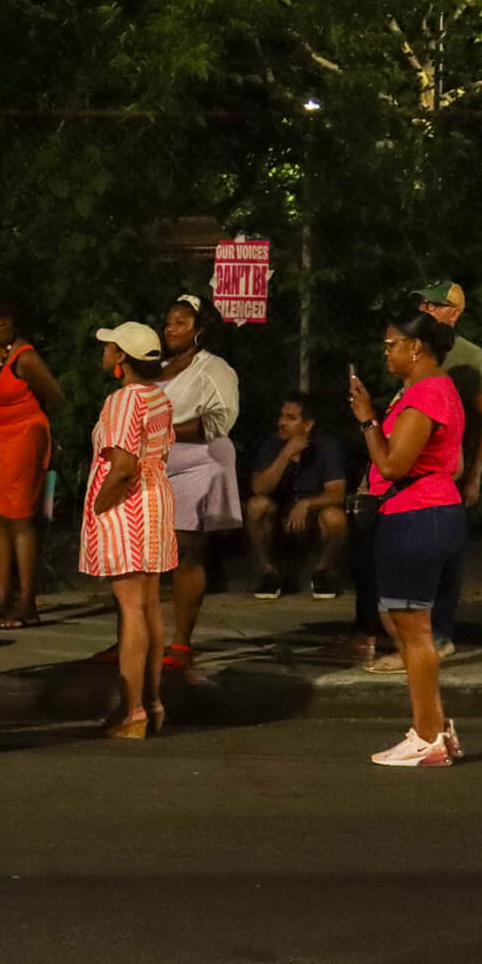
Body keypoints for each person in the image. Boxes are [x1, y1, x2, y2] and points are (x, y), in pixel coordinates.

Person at [349, 300, 467, 768]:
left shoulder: (427, 392)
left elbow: (394, 463)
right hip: (418, 510)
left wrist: (367, 419)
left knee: (414, 630)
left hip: (419, 513)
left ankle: (428, 736)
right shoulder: (426, 390)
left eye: (391, 345)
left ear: (417, 347)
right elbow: (448, 460)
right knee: (401, 622)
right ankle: (433, 726)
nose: (386, 353)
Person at [80, 323, 175, 739]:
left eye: (110, 345)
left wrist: (101, 504)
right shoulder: (158, 396)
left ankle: (132, 710)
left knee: (131, 608)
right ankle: (152, 703)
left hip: (127, 505)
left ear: (122, 357)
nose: (104, 349)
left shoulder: (123, 400)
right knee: (150, 605)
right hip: (156, 499)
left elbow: (122, 464)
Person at [395, 279, 482, 666]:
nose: (425, 310)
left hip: (449, 471)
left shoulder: (470, 357)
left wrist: (475, 474)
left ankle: (439, 633)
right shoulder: (414, 349)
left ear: (454, 312)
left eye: (433, 306)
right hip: (410, 469)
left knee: (444, 555)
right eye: (421, 303)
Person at [0, 299, 64, 630]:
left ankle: (27, 603)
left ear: (16, 320)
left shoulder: (25, 357)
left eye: (5, 316)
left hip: (21, 436)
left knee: (19, 516)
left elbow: (56, 396)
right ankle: (2, 597)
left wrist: (32, 427)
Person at [158, 294, 242, 676]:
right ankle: (138, 634)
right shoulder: (156, 366)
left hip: (199, 460)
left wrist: (162, 431)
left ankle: (181, 641)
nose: (171, 328)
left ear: (200, 330)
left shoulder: (215, 368)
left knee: (186, 549)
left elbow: (220, 419)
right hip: (157, 462)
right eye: (169, 322)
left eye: (181, 322)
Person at [243, 393, 350, 599]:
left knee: (335, 518)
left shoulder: (325, 446)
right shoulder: (271, 445)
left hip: (312, 517)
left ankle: (323, 572)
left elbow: (337, 493)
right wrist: (285, 455)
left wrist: (306, 504)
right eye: (281, 417)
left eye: (290, 418)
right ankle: (268, 573)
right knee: (256, 506)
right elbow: (259, 488)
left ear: (308, 425)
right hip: (279, 515)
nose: (282, 423)